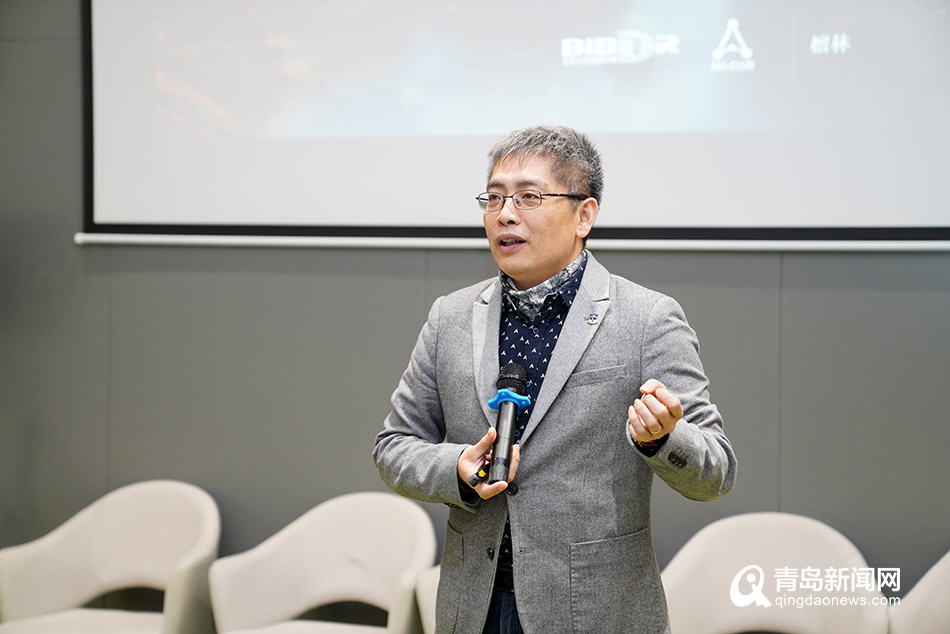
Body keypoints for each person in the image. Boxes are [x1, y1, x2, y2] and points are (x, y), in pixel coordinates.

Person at [373, 124, 737, 634]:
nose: (505, 214)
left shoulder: (646, 319)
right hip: (472, 608)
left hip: (593, 611)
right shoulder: (450, 317)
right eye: (494, 198)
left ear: (584, 215)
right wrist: (455, 467)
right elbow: (394, 446)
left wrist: (663, 439)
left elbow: (716, 471)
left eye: (528, 197)